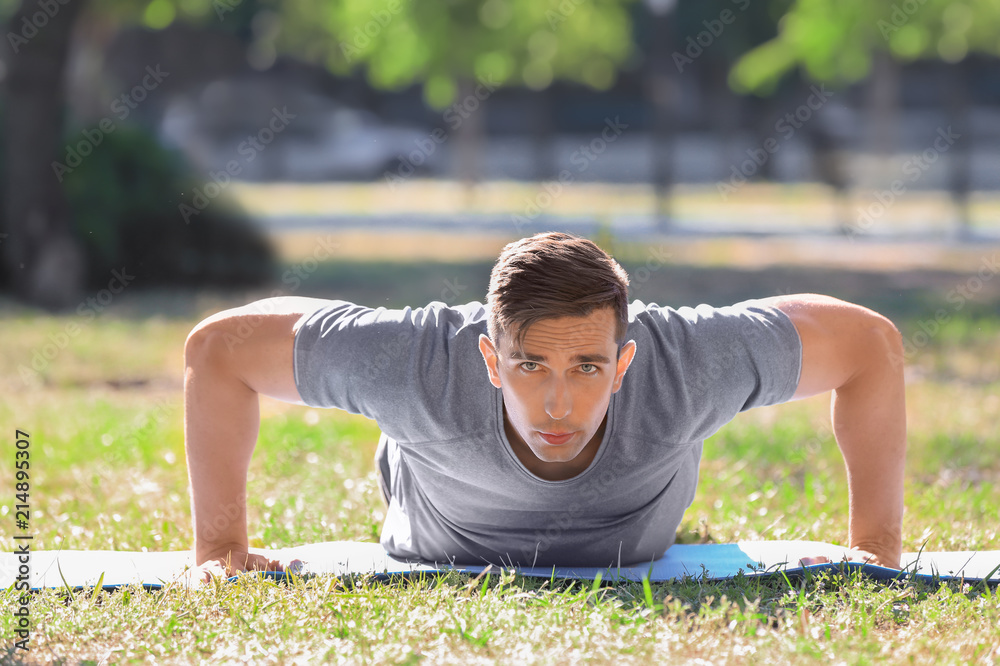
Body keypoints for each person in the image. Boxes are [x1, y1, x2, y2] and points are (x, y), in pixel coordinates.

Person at [184, 232, 906, 583]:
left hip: (642, 499)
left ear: (624, 363)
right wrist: (221, 551)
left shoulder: (686, 360)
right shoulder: (415, 359)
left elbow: (871, 345)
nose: (558, 402)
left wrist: (873, 549)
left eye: (588, 366)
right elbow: (218, 350)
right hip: (434, 496)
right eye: (530, 365)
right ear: (491, 359)